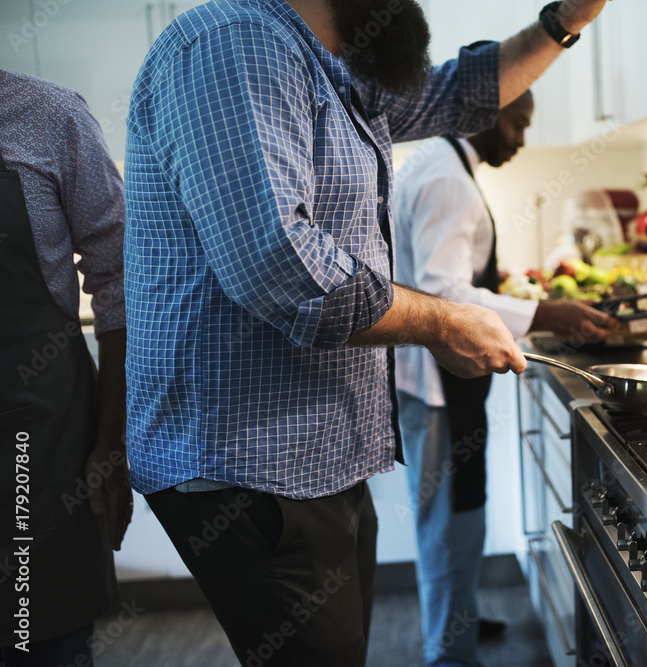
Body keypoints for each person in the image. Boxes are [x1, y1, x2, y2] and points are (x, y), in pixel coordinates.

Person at [123, 0, 612, 664]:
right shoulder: (235, 45)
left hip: (320, 453)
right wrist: (442, 321)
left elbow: (459, 92)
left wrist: (563, 20)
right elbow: (281, 270)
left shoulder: (334, 67)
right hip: (249, 461)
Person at [394, 91, 616, 666]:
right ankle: (449, 653)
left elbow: (446, 277)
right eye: (518, 124)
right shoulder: (446, 178)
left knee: (458, 514)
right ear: (485, 114)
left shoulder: (444, 163)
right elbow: (445, 295)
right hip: (437, 384)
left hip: (438, 381)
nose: (520, 138)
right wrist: (547, 313)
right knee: (450, 522)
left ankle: (455, 624)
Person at [0, 69, 131, 666]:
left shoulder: (48, 118)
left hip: (34, 447)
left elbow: (121, 279)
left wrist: (112, 441)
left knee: (38, 637)